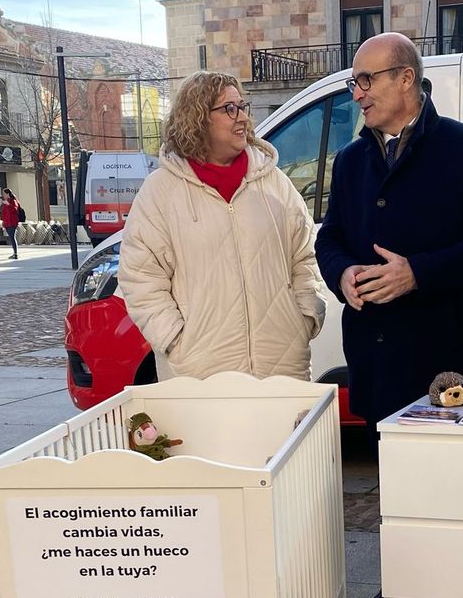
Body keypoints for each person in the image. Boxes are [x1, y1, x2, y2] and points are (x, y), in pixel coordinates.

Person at [314, 33, 463, 598]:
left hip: (440, 351)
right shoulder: (351, 159)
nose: (358, 94)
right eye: (355, 83)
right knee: (393, 480)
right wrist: (343, 274)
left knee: (448, 479)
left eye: (366, 81)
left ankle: (456, 588)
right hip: (375, 349)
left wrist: (416, 274)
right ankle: (400, 583)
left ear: (406, 79)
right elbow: (330, 237)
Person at [117, 70, 326, 381]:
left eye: (243, 106)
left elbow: (305, 253)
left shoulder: (273, 182)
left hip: (281, 365)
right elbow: (140, 277)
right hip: (198, 372)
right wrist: (176, 340)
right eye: (229, 109)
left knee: (280, 432)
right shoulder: (161, 191)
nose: (242, 117)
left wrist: (304, 316)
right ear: (198, 118)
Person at [0, 188, 25, 260]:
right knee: (11, 238)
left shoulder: (13, 201)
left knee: (12, 237)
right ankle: (14, 253)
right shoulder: (4, 203)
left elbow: (15, 210)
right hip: (7, 222)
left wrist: (9, 204)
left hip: (12, 222)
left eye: (4, 194)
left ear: (8, 194)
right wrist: (2, 221)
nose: (3, 195)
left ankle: (15, 253)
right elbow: (3, 213)